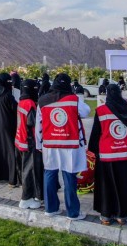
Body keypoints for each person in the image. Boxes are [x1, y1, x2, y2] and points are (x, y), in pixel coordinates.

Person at [88, 84, 127, 225]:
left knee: (107, 185)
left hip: (108, 155)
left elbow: (96, 134)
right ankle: (122, 215)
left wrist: (94, 151)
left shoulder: (101, 110)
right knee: (125, 185)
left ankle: (106, 215)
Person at [37, 73, 89, 220]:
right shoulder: (73, 99)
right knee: (69, 176)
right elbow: (86, 112)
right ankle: (73, 212)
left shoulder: (42, 100)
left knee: (50, 174)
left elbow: (38, 124)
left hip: (50, 143)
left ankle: (50, 209)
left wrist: (39, 143)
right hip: (69, 143)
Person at [15, 78, 44, 208]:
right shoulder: (30, 103)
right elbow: (33, 122)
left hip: (21, 139)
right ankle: (26, 198)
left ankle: (31, 196)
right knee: (29, 170)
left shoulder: (21, 101)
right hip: (29, 141)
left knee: (25, 169)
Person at [0, 73, 20, 186]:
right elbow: (16, 109)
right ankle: (11, 177)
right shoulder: (8, 95)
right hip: (8, 125)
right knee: (10, 150)